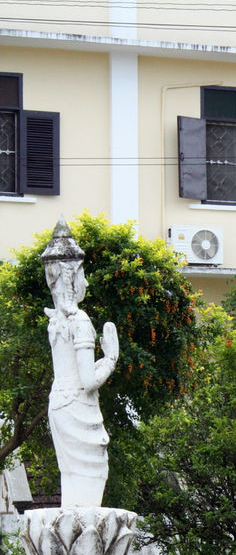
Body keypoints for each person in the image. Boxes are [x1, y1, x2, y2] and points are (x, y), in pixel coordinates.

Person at [41, 216, 119, 507]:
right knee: (93, 475)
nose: (85, 280)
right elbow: (87, 382)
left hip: (59, 403)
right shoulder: (79, 321)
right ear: (72, 276)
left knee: (71, 479)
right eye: (82, 273)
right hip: (78, 406)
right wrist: (110, 359)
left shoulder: (56, 322)